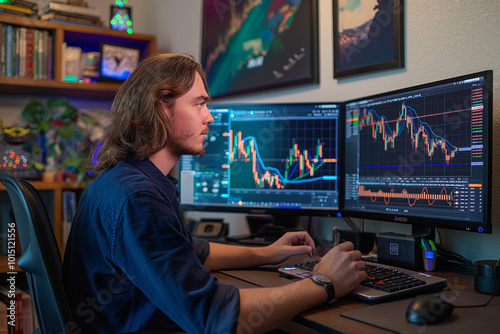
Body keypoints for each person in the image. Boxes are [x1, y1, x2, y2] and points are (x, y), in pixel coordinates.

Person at [62, 53, 366, 334]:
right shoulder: (138, 198)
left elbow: (190, 250)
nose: (210, 117)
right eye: (199, 104)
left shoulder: (128, 179)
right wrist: (324, 283)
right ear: (160, 107)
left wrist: (268, 253)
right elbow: (213, 317)